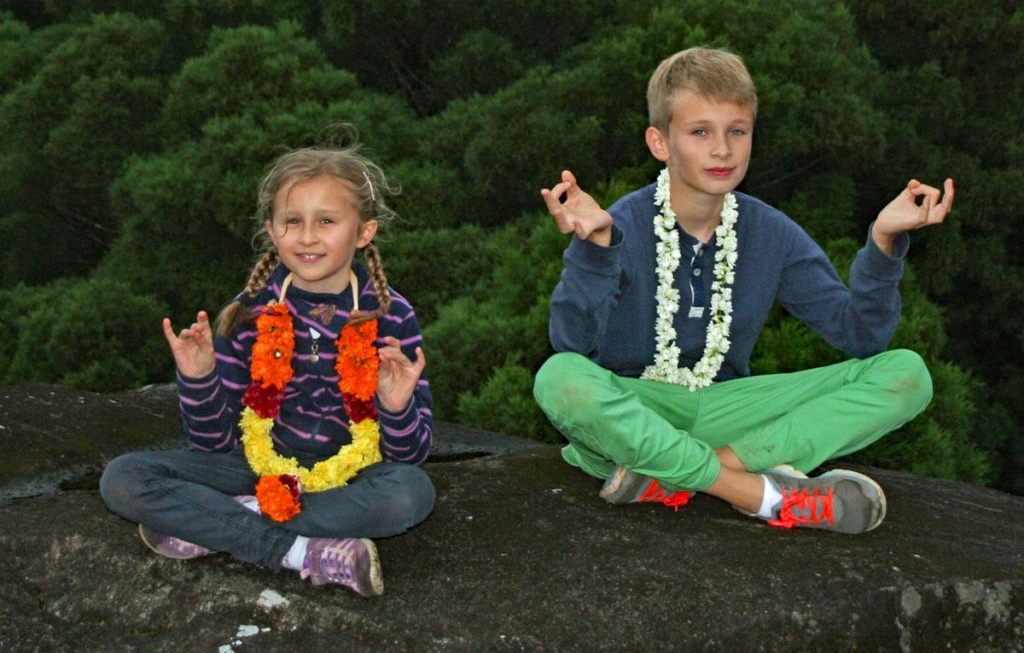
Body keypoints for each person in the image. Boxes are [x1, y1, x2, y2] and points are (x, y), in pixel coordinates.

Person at [534, 46, 954, 534]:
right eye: (699, 132)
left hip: (727, 411)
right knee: (559, 377)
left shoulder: (770, 232)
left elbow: (860, 337)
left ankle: (686, 472)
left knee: (907, 373)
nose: (722, 150)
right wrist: (595, 250)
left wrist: (883, 242)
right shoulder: (619, 223)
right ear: (659, 142)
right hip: (638, 408)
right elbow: (573, 345)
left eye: (737, 131)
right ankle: (759, 493)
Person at [101, 144, 434, 595]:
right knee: (123, 479)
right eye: (292, 221)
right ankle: (299, 551)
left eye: (327, 221)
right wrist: (198, 377)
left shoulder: (392, 316)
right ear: (272, 231)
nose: (307, 237)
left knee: (410, 493)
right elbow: (212, 444)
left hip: (350, 482)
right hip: (254, 469)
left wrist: (395, 406)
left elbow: (410, 456)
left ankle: (226, 521)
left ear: (364, 231)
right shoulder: (250, 313)